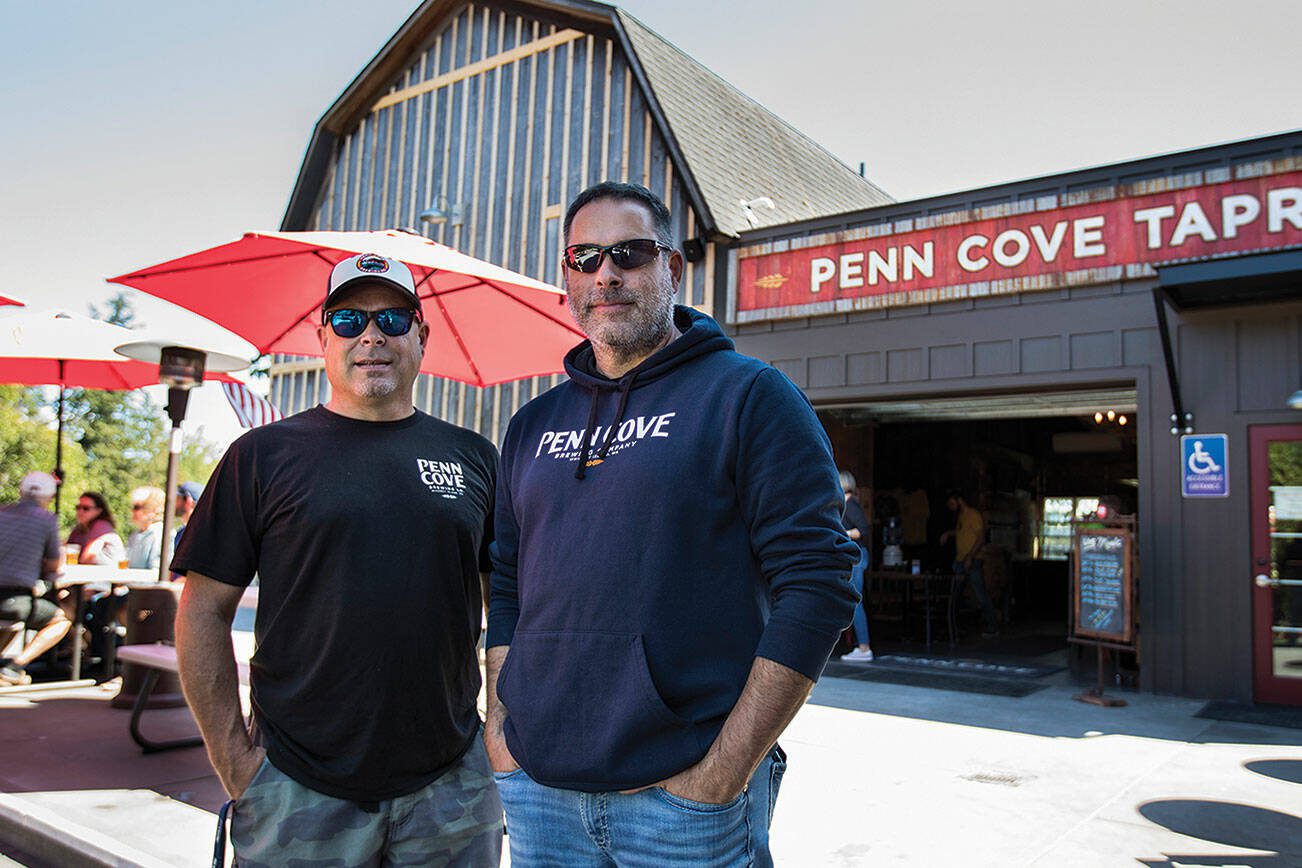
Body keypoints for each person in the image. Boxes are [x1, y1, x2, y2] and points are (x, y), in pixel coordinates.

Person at [485, 181, 859, 866]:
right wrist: (499, 731)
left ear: (672, 269)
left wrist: (723, 773)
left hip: (683, 803)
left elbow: (819, 583)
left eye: (629, 252)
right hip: (540, 793)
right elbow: (507, 582)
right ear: (567, 274)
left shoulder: (748, 396)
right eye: (585, 256)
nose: (607, 273)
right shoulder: (531, 425)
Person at [172, 252, 503, 865]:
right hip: (296, 786)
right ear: (323, 338)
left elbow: (506, 611)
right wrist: (237, 764)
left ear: (422, 337)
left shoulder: (474, 458)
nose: (371, 335)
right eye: (349, 320)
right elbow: (201, 612)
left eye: (393, 319)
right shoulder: (261, 456)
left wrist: (499, 742)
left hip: (451, 784)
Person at [0, 472, 70, 686]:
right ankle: (15, 667)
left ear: (21, 492)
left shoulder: (2, 513)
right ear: (49, 498)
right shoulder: (46, 519)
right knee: (61, 619)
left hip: (8, 598)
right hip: (16, 598)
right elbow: (54, 563)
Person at [940, 489, 998, 636]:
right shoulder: (961, 517)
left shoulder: (973, 515)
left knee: (980, 593)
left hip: (971, 560)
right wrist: (949, 533)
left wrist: (970, 557)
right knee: (956, 594)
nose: (951, 507)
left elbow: (980, 538)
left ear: (959, 501)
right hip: (960, 560)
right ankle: (954, 626)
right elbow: (962, 532)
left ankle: (993, 625)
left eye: (952, 504)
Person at [838, 470, 875, 663]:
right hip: (854, 557)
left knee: (855, 602)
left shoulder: (850, 503)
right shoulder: (846, 503)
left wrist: (840, 532)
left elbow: (863, 529)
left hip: (857, 557)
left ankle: (864, 647)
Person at [65, 492, 125, 566]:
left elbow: (87, 558)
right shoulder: (79, 529)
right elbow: (67, 549)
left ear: (99, 511)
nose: (80, 511)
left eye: (86, 508)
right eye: (78, 507)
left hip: (110, 575)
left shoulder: (102, 526)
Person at [125, 486, 165, 569]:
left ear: (152, 510)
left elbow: (155, 570)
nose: (132, 511)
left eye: (137, 507)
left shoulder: (160, 534)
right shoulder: (135, 535)